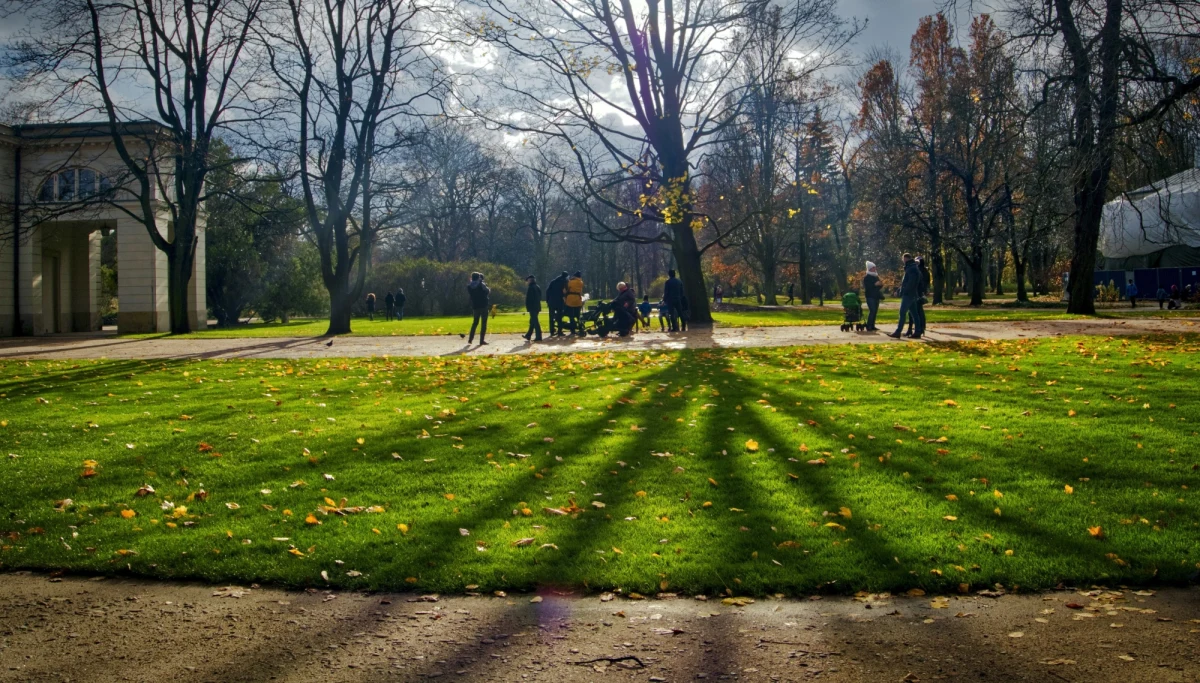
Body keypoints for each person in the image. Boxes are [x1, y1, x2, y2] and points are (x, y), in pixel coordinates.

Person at [888, 253, 921, 339]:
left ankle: (898, 331)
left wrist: (904, 291)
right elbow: (906, 283)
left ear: (906, 258)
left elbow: (910, 283)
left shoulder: (911, 268)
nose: (903, 261)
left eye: (903, 259)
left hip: (908, 294)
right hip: (912, 294)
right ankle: (918, 331)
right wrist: (900, 290)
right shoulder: (912, 267)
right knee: (914, 314)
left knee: (902, 312)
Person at [467, 272, 490, 345]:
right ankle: (481, 340)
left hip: (475, 306)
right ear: (478, 277)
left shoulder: (469, 286)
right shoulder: (481, 284)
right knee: (483, 323)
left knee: (475, 323)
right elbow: (487, 291)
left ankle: (470, 339)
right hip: (483, 305)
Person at [862, 261, 883, 331]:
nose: (875, 269)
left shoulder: (876, 276)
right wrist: (875, 285)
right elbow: (867, 287)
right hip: (870, 296)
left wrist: (880, 284)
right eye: (873, 268)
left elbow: (879, 285)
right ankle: (869, 325)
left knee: (875, 311)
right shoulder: (866, 277)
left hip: (876, 296)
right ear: (870, 268)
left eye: (875, 268)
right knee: (872, 310)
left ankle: (872, 325)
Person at [546, 270, 567, 336]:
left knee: (551, 317)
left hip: (551, 301)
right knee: (559, 317)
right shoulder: (564, 282)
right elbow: (564, 292)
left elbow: (548, 291)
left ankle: (552, 331)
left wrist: (547, 300)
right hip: (559, 302)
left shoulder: (553, 281)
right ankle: (559, 331)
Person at [523, 275, 542, 342]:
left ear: (530, 280)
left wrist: (528, 307)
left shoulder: (531, 288)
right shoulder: (537, 287)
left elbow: (529, 299)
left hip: (532, 307)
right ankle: (528, 335)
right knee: (532, 322)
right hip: (537, 306)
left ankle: (539, 336)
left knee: (535, 322)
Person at [564, 271, 584, 335]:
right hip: (578, 299)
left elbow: (566, 290)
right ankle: (581, 328)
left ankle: (572, 330)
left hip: (570, 299)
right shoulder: (581, 282)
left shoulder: (570, 282)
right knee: (578, 316)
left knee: (571, 316)